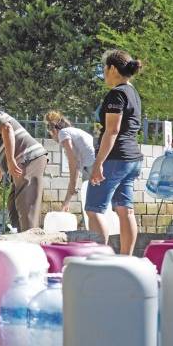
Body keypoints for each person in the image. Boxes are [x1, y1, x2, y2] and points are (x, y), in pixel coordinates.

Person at [86, 49, 143, 255]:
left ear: (111, 68)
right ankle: (126, 260)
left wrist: (98, 163)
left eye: (104, 68)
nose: (103, 73)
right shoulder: (133, 93)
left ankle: (101, 260)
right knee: (125, 210)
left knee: (93, 210)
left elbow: (112, 130)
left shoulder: (116, 94)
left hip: (115, 158)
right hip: (132, 159)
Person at [44, 111, 95, 212]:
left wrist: (73, 184)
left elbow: (73, 162)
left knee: (92, 208)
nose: (53, 139)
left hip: (92, 167)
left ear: (54, 130)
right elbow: (75, 169)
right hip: (96, 165)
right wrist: (67, 202)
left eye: (51, 135)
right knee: (93, 206)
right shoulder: (75, 132)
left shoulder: (63, 133)